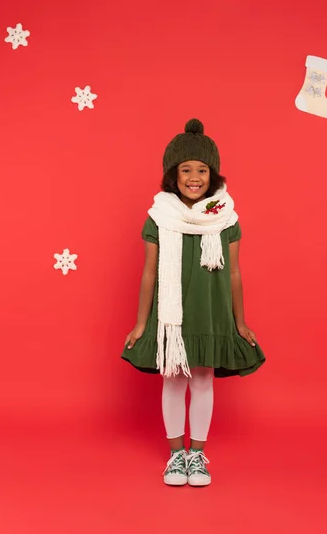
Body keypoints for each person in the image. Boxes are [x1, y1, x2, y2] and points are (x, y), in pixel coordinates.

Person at [121, 118, 266, 487]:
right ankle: (175, 456)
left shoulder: (227, 218)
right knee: (173, 380)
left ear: (213, 174)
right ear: (173, 174)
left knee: (202, 380)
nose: (194, 177)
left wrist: (240, 322)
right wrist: (141, 323)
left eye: (202, 169)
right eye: (186, 169)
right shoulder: (159, 217)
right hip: (172, 316)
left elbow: (233, 274)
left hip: (211, 313)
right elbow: (150, 273)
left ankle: (198, 455)